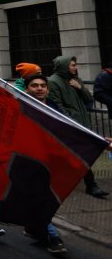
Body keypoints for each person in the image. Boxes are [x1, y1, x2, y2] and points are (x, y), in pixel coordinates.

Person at [47, 55, 109, 199]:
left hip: (82, 123)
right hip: (70, 126)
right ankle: (91, 185)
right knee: (80, 155)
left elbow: (88, 99)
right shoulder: (53, 82)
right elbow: (57, 105)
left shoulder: (75, 80)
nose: (76, 67)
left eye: (75, 65)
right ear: (64, 65)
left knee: (77, 155)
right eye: (73, 65)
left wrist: (79, 87)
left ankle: (87, 184)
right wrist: (71, 123)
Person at [22, 73, 70, 253]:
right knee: (39, 198)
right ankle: (53, 237)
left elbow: (68, 128)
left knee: (42, 198)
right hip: (28, 162)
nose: (40, 88)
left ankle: (33, 226)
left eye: (43, 85)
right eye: (35, 85)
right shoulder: (22, 107)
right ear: (27, 89)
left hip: (49, 162)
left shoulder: (53, 108)